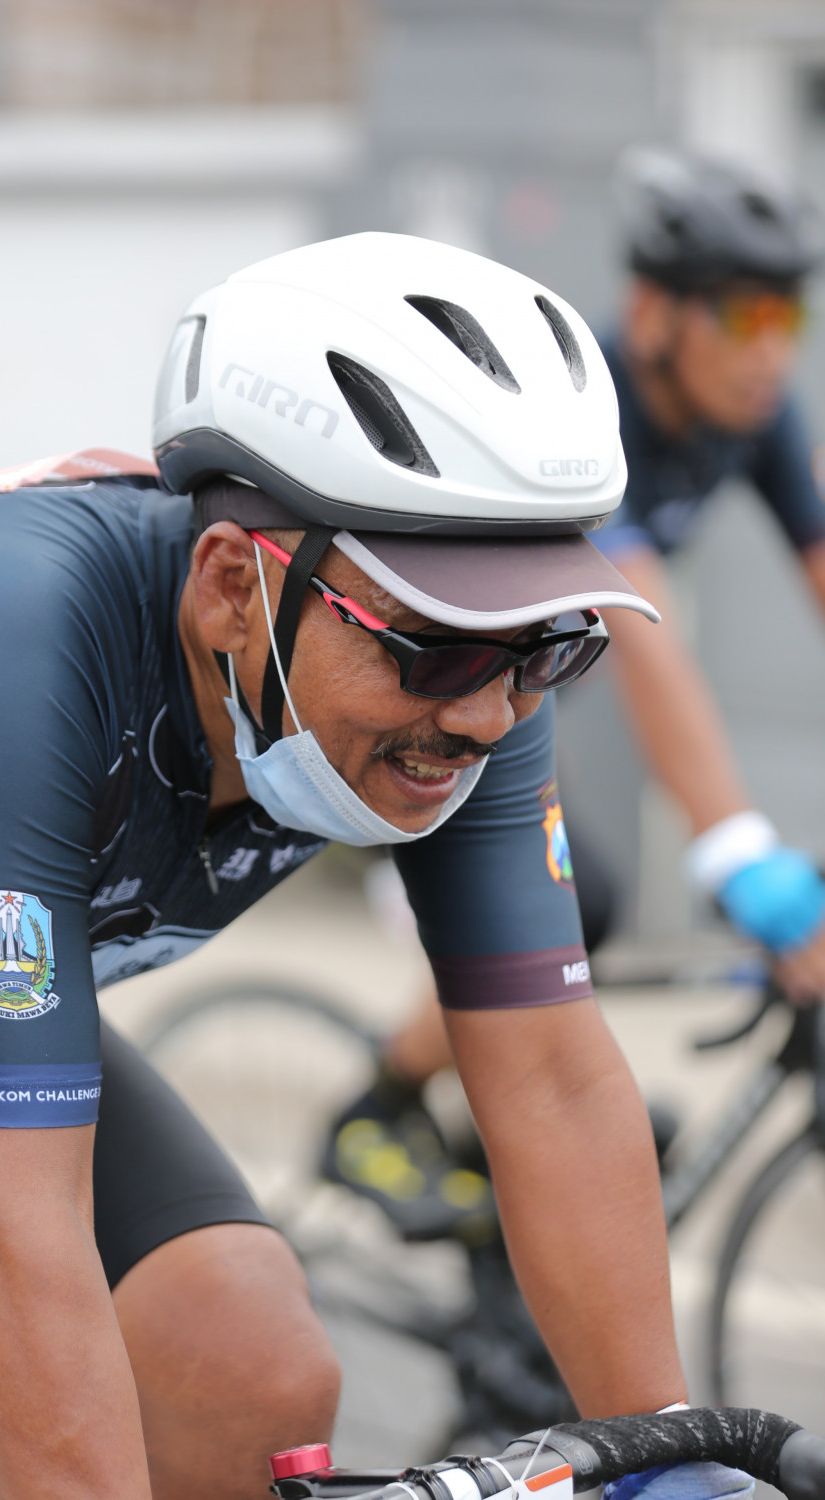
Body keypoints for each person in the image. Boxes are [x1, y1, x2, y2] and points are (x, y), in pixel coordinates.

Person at [0, 232, 747, 1500]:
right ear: (231, 586)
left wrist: (665, 1454)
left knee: (244, 1364)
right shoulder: (10, 632)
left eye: (545, 642)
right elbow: (11, 1206)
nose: (487, 713)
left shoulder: (466, 692)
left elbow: (545, 1073)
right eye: (434, 644)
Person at [326, 149, 825, 1243]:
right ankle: (375, 1111)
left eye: (786, 317)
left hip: (515, 702)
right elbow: (645, 638)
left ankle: (496, 1224)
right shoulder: (583, 417)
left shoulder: (753, 414)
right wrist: (735, 847)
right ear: (652, 314)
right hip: (414, 714)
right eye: (742, 318)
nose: (772, 353)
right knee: (568, 904)